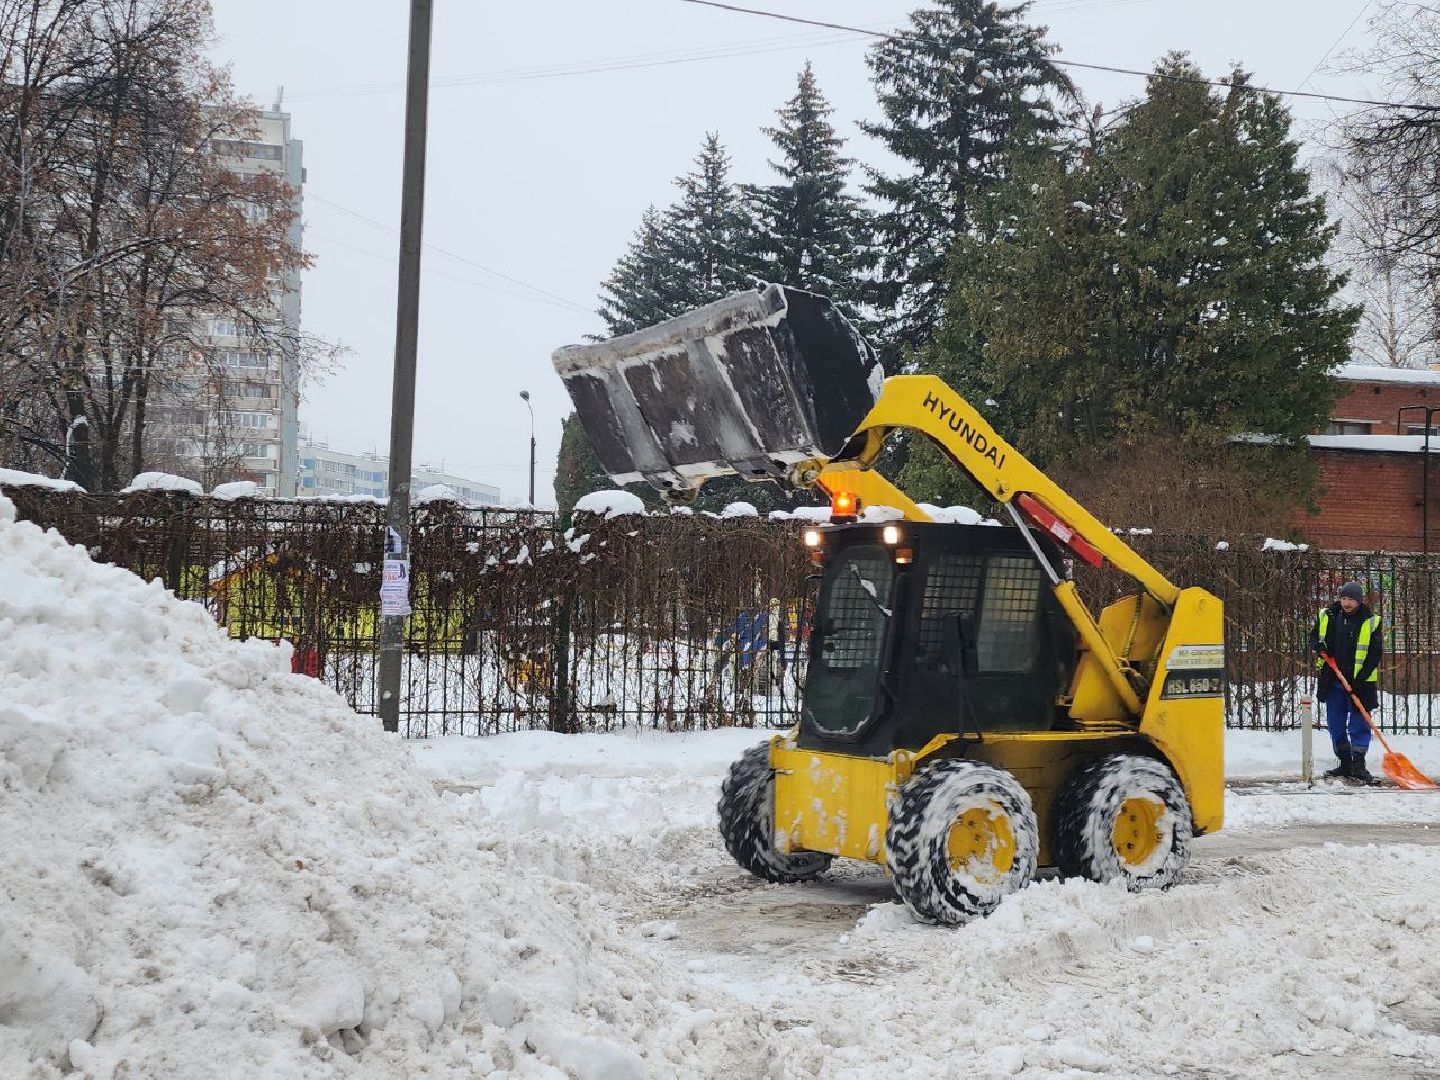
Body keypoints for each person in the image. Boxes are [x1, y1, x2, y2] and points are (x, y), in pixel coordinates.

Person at [1310, 581, 1383, 783]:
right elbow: (1314, 636)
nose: (1346, 603)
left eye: (1351, 599)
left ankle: (1359, 764)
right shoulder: (1329, 615)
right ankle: (1345, 762)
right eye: (1343, 598)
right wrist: (1318, 645)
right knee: (1335, 723)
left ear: (1359, 601)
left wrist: (1359, 680)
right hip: (1333, 680)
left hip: (1360, 683)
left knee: (1359, 724)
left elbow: (1375, 654)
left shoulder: (1371, 621)